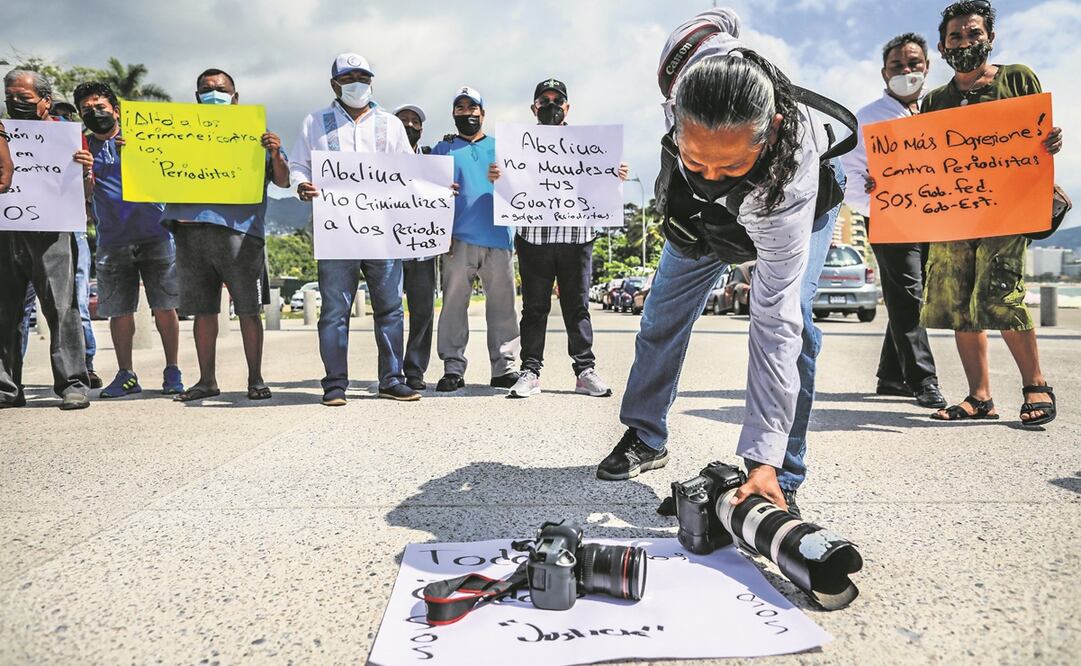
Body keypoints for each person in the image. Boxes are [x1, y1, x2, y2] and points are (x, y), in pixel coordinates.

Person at [594, 8, 847, 518]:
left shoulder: (791, 171)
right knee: (661, 315)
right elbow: (722, 15)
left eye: (729, 164)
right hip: (697, 221)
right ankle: (645, 435)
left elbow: (774, 323)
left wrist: (762, 459)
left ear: (770, 131)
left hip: (777, 202)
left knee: (794, 322)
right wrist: (705, 177)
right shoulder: (682, 56)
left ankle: (779, 470)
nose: (711, 175)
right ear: (674, 113)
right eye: (695, 160)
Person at [918, 0, 1062, 425]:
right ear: (943, 47)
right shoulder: (934, 100)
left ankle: (1036, 384)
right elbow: (921, 162)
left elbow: (1037, 136)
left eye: (974, 33)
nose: (965, 42)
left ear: (991, 38)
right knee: (958, 302)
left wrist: (1050, 142)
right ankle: (979, 397)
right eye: (956, 36)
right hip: (953, 217)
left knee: (1002, 293)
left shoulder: (1017, 77)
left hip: (1008, 212)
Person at [289, 53, 420, 405]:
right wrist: (302, 185)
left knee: (390, 307)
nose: (356, 83)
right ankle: (334, 384)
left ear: (372, 82)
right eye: (348, 78)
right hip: (337, 232)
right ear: (335, 84)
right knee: (334, 310)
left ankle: (392, 379)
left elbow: (409, 171)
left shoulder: (390, 124)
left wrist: (435, 191)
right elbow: (298, 166)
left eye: (362, 76)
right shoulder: (315, 122)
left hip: (383, 231)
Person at [488, 78, 623, 399]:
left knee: (577, 307)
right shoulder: (518, 145)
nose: (551, 106)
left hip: (577, 236)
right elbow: (509, 185)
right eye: (544, 101)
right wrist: (497, 176)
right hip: (534, 236)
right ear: (534, 107)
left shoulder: (587, 143)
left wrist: (612, 172)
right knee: (535, 308)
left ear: (567, 107)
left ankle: (584, 371)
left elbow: (599, 180)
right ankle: (531, 371)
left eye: (556, 101)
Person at [162, 68, 289, 402]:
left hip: (241, 235)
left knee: (248, 309)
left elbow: (283, 181)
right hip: (190, 233)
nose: (212, 93)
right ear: (196, 96)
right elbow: (151, 170)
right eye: (206, 88)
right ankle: (206, 381)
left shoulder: (255, 134)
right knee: (203, 310)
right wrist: (132, 151)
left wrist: (275, 152)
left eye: (219, 89)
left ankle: (256, 378)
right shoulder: (175, 133)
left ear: (235, 97)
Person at [840, 33, 945, 409]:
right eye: (897, 66)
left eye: (913, 63)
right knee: (908, 296)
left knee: (907, 298)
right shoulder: (867, 118)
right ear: (884, 73)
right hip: (889, 218)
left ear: (927, 67)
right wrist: (872, 194)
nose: (906, 71)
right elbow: (849, 173)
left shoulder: (940, 109)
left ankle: (891, 376)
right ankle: (923, 380)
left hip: (935, 218)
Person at [74, 81, 184, 399]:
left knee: (166, 306)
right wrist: (85, 173)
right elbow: (80, 200)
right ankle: (126, 374)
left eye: (100, 107)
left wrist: (139, 149)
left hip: (158, 235)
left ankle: (173, 370)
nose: (94, 113)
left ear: (116, 110)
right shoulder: (82, 151)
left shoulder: (145, 139)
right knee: (119, 310)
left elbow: (175, 174)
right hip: (112, 241)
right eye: (87, 110)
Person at [0, 69, 92, 410]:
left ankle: (73, 383)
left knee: (62, 307)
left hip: (52, 232)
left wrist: (85, 170)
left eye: (24, 99)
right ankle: (7, 388)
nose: (15, 104)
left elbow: (84, 194)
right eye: (10, 98)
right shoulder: (0, 131)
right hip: (6, 232)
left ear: (45, 101)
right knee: (4, 311)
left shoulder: (66, 136)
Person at [431, 87, 520, 392]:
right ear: (453, 114)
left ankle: (504, 367)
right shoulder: (441, 150)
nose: (467, 112)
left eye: (473, 108)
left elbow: (528, 184)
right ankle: (452, 368)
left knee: (503, 306)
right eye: (460, 108)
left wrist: (506, 177)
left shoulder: (504, 148)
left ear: (483, 113)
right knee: (454, 305)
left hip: (499, 238)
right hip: (457, 240)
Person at [394, 103, 437, 390]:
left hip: (423, 248)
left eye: (415, 121)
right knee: (390, 311)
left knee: (422, 311)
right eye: (403, 121)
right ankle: (392, 370)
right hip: (390, 249)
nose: (409, 125)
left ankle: (415, 370)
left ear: (421, 129)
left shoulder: (433, 160)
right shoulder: (378, 159)